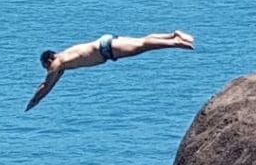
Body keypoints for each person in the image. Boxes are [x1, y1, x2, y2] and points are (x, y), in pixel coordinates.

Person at [24, 31, 195, 111]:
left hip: (105, 49)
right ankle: (173, 36)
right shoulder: (62, 62)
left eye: (45, 67)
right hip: (106, 45)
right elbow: (48, 84)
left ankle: (176, 42)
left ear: (48, 60)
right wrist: (37, 97)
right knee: (142, 44)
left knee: (142, 46)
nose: (47, 70)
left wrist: (33, 102)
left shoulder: (57, 63)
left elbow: (46, 86)